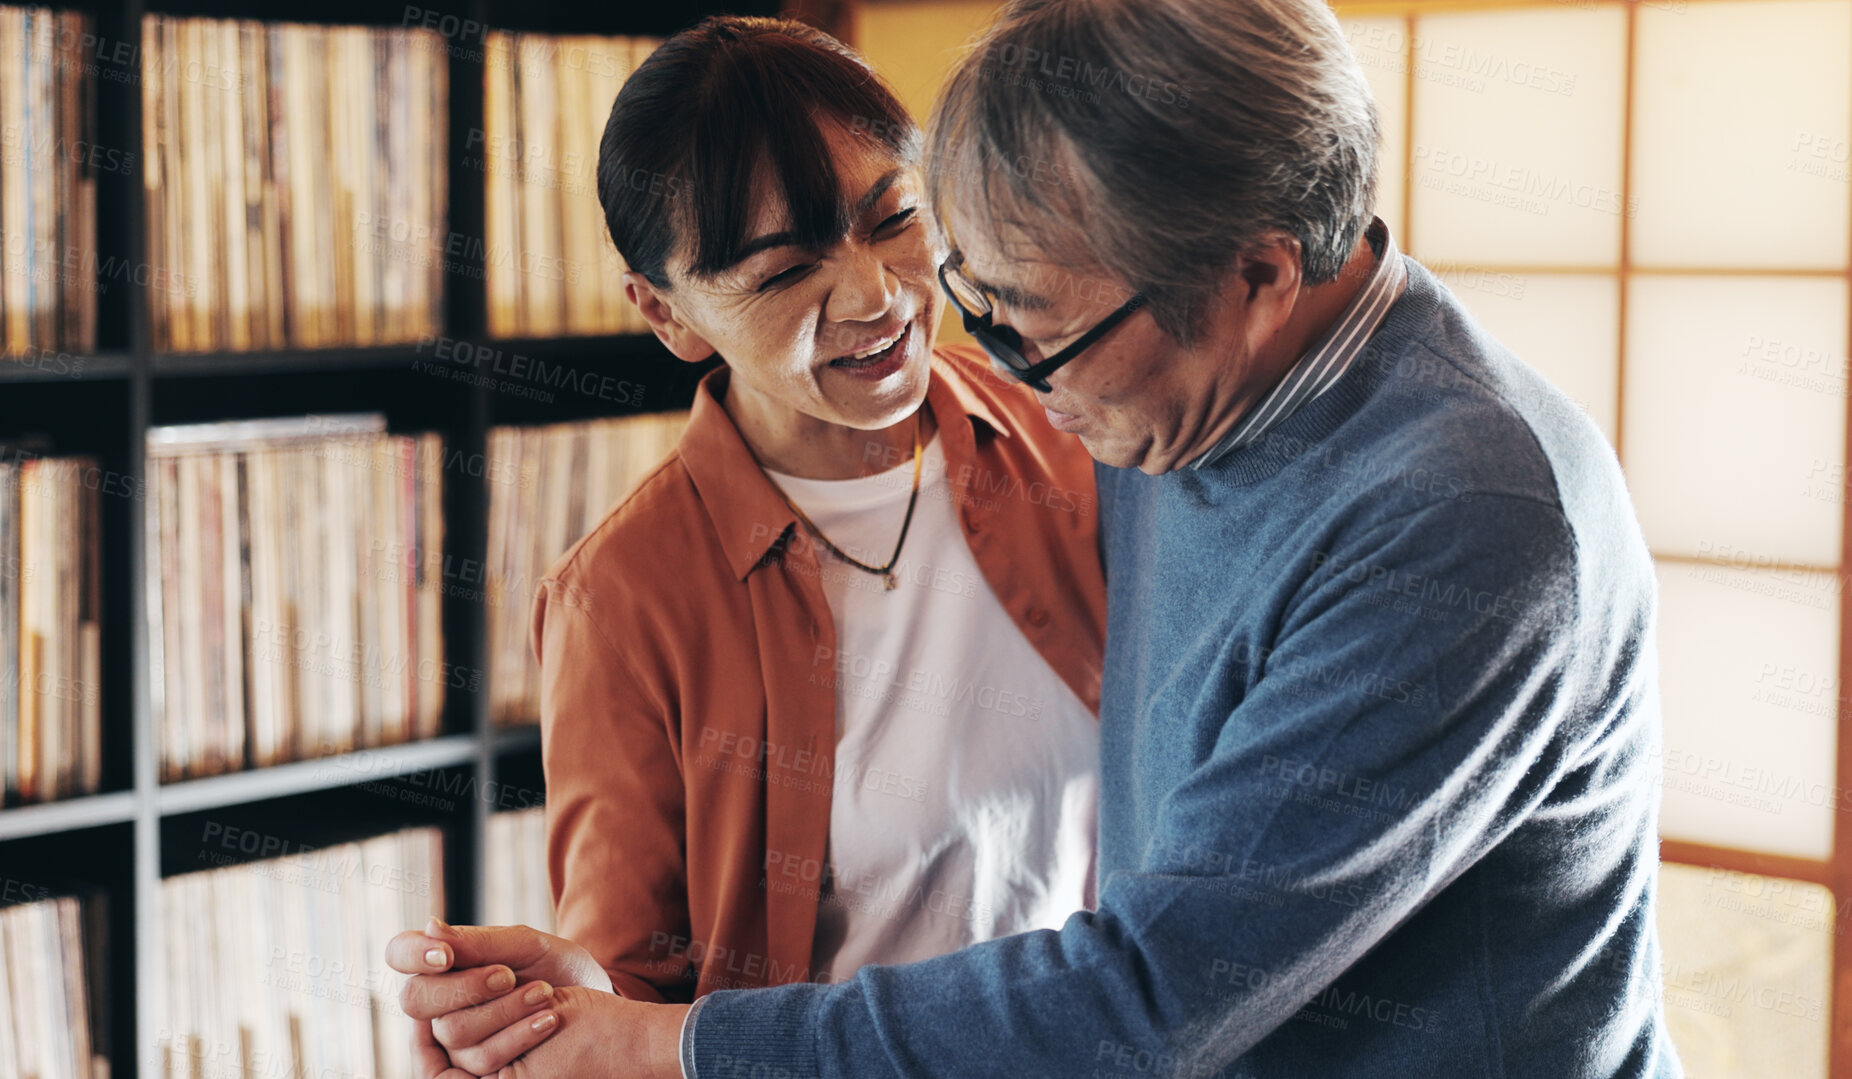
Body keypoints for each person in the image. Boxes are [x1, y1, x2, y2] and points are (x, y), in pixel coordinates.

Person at [392, 0, 1682, 1074]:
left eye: (1032, 325)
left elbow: (1143, 992)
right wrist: (595, 1013)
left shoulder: (1448, 517)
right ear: (667, 313)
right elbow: (640, 980)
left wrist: (658, 1047)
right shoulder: (1160, 392)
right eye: (984, 301)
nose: (957, 343)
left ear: (1255, 275)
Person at [384, 14, 1110, 1078]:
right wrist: (572, 1011)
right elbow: (637, 999)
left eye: (894, 218)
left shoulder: (1076, 430)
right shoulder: (620, 600)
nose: (875, 297)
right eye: (779, 273)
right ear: (667, 315)